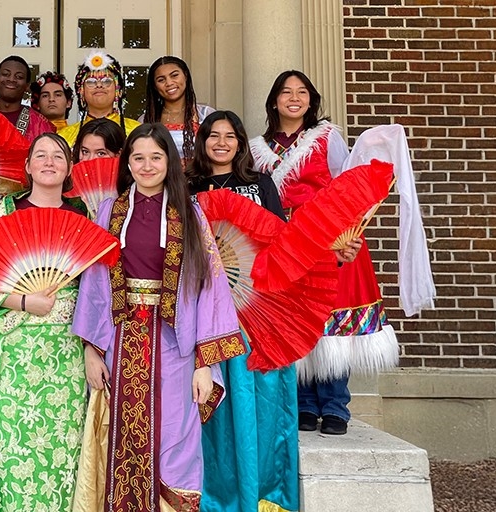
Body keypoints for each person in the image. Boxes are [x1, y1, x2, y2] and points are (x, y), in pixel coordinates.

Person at [72, 123, 246, 511]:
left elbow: (210, 287)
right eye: (138, 158)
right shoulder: (109, 211)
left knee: (175, 438)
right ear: (127, 163)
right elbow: (96, 281)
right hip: (121, 338)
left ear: (170, 160)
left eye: (156, 157)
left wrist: (205, 363)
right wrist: (91, 348)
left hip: (177, 343)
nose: (147, 165)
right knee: (124, 436)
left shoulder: (190, 212)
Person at [250, 70, 396, 436]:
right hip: (288, 243)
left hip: (331, 238)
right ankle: (303, 404)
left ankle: (335, 405)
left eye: (302, 92)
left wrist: (348, 236)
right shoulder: (256, 149)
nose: (294, 98)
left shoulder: (328, 138)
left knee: (331, 318)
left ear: (311, 101)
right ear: (274, 101)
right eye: (286, 92)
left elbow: (346, 188)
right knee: (298, 318)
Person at [0, 133, 87, 511]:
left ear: (68, 168)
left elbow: (100, 289)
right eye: (41, 155)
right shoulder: (3, 213)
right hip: (12, 350)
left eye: (58, 155)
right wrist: (23, 300)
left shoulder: (85, 214)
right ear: (29, 166)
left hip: (68, 353)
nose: (49, 161)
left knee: (61, 449)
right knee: (8, 443)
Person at [189, 110, 299, 512]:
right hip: (207, 305)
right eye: (213, 135)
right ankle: (213, 494)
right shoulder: (188, 186)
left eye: (230, 135)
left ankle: (265, 491)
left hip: (258, 306)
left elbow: (281, 243)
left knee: (263, 401)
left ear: (240, 143)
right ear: (202, 142)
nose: (222, 142)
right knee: (214, 400)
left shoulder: (261, 184)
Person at [142, 56, 215, 167]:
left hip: (201, 181)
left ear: (185, 76)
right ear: (155, 87)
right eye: (161, 80)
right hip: (161, 182)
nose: (169, 83)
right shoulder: (146, 119)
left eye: (174, 75)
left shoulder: (205, 114)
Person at [57, 51, 140, 146]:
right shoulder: (64, 136)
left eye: (106, 81)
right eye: (91, 82)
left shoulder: (136, 131)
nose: (99, 85)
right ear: (81, 91)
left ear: (119, 90)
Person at [0, 55, 55, 141]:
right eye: (5, 74)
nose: (11, 79)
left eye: (19, 77)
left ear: (27, 86)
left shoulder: (40, 124)